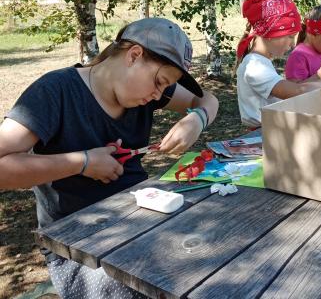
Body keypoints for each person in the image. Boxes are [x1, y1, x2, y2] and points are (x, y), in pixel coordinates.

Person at [0, 17, 218, 299]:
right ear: (134, 55)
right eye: (159, 82)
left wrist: (197, 119)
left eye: (165, 87)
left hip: (143, 223)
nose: (158, 95)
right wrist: (82, 163)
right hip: (78, 248)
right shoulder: (55, 91)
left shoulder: (148, 92)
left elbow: (208, 99)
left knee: (215, 254)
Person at [236, 0, 321, 127]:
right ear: (270, 33)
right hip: (262, 132)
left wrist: (318, 76)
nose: (292, 44)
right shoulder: (254, 66)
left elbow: (294, 88)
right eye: (290, 36)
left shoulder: (261, 62)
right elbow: (295, 92)